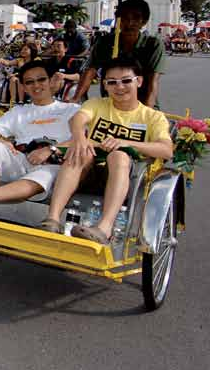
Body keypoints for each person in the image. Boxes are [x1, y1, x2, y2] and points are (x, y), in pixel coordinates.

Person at [44, 58, 174, 243]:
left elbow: (166, 150)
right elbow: (78, 119)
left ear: (139, 81)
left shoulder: (153, 117)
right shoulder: (97, 104)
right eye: (112, 82)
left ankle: (103, 228)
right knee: (81, 149)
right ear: (105, 85)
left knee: (119, 156)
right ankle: (53, 219)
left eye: (126, 81)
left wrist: (126, 143)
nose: (119, 87)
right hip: (86, 168)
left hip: (123, 177)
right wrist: (80, 138)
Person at [0, 60, 79, 219]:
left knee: (46, 174)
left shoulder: (71, 110)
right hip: (22, 159)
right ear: (24, 87)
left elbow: (84, 139)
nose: (36, 85)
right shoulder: (19, 111)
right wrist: (1, 141)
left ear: (50, 81)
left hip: (55, 163)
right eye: (29, 82)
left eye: (41, 80)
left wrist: (50, 150)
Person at [73, 0, 166, 107]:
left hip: (142, 104)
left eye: (136, 18)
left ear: (144, 21)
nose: (129, 23)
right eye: (124, 18)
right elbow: (90, 71)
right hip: (111, 104)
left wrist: (147, 112)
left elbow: (153, 81)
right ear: (117, 20)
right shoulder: (105, 42)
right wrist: (75, 99)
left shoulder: (153, 44)